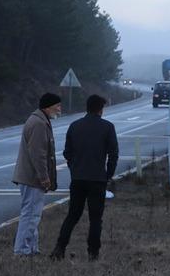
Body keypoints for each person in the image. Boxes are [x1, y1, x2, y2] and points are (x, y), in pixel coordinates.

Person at [50, 95, 119, 261]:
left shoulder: (74, 126)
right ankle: (93, 253)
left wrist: (74, 168)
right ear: (100, 109)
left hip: (78, 179)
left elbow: (67, 152)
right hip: (97, 179)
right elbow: (113, 154)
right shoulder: (107, 127)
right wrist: (108, 175)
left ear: (87, 107)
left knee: (73, 215)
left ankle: (60, 248)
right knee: (95, 219)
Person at [12, 92, 61, 256]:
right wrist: (44, 177)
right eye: (57, 106)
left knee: (33, 214)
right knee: (31, 214)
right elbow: (38, 154)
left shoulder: (40, 120)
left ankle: (32, 248)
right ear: (48, 106)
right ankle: (22, 250)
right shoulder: (39, 124)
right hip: (32, 178)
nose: (59, 109)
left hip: (30, 177)